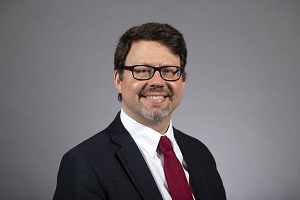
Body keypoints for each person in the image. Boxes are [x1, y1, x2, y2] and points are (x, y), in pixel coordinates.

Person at [53, 22, 226, 200]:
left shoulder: (200, 153)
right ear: (118, 80)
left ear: (182, 81)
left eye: (169, 71)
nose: (157, 82)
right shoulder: (84, 163)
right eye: (143, 70)